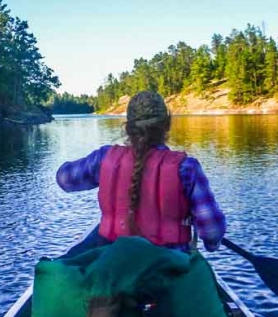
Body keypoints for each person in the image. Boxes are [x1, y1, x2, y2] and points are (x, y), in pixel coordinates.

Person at [56, 91, 225, 252]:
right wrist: (212, 245)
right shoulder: (187, 168)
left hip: (113, 261)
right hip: (169, 267)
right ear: (167, 125)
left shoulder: (104, 158)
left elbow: (64, 179)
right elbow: (212, 231)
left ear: (128, 128)